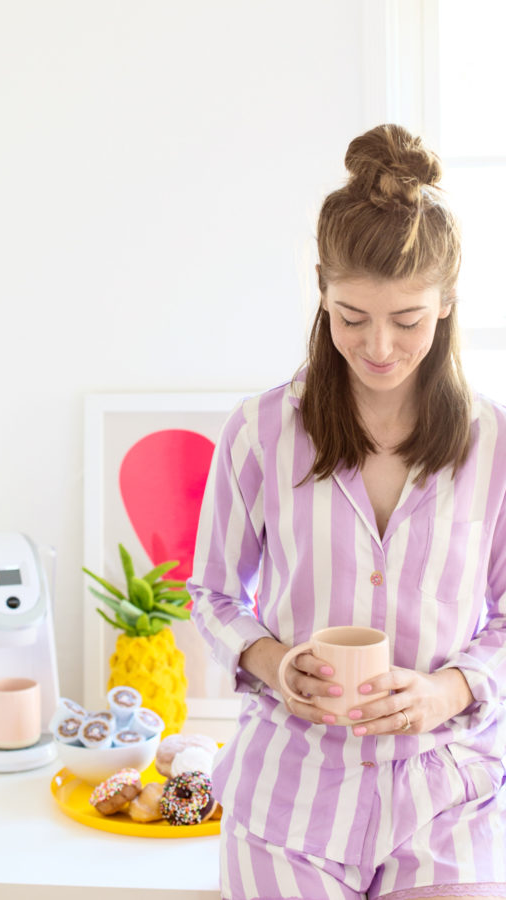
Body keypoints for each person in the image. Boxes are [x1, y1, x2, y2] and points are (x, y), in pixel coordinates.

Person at [187, 124, 506, 900]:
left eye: (409, 319)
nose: (380, 347)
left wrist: (449, 690)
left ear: (449, 302)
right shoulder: (261, 431)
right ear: (322, 289)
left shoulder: (491, 443)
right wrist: (273, 664)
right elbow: (214, 595)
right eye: (352, 315)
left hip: (446, 798)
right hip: (287, 802)